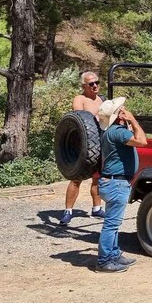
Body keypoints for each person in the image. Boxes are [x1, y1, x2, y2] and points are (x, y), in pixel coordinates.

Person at [96, 97, 147, 273]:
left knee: (113, 223)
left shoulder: (110, 131)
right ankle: (104, 261)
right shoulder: (118, 131)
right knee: (111, 224)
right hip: (116, 183)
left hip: (111, 181)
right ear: (118, 115)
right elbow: (142, 141)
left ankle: (114, 254)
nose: (124, 109)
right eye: (121, 109)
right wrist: (133, 120)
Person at [61, 71, 106, 225]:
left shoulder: (102, 99)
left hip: (100, 142)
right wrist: (96, 117)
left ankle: (97, 208)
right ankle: (68, 211)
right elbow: (78, 118)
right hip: (83, 145)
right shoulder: (80, 99)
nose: (95, 86)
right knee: (76, 179)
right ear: (84, 86)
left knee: (97, 177)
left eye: (97, 83)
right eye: (91, 84)